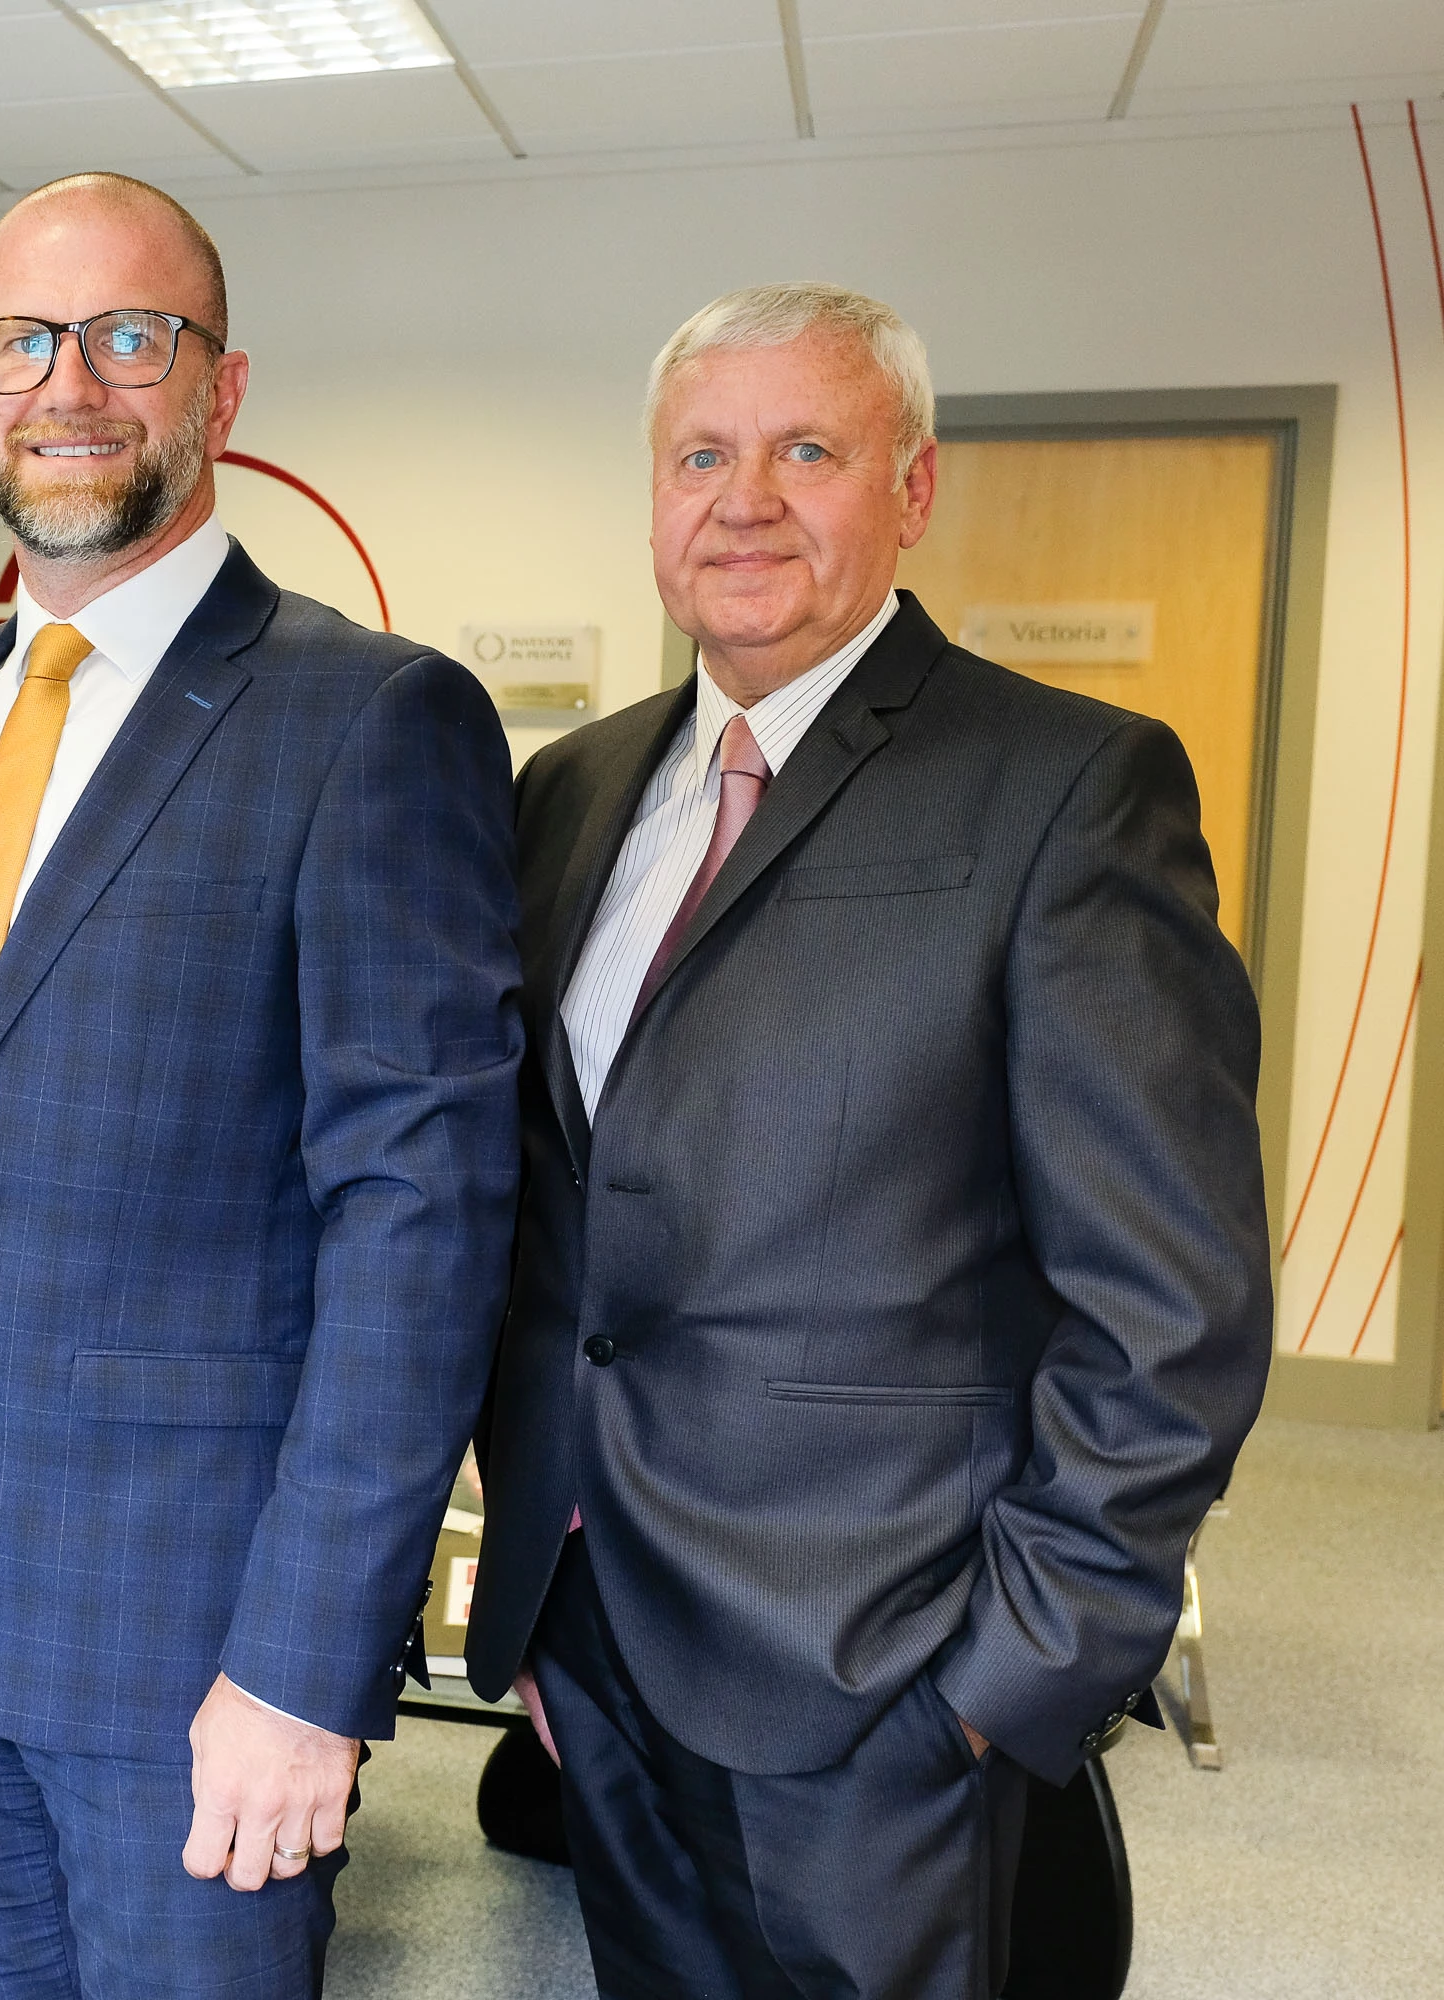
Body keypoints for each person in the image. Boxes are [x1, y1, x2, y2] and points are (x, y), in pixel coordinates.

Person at [0, 175, 521, 1998]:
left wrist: (312, 1664)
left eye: (129, 336)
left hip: (192, 1645)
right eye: (21, 339)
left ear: (219, 390)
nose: (68, 383)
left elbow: (419, 1233)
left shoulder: (370, 719)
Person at [462, 281, 1270, 2000]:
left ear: (911, 489)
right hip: (595, 1639)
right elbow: (548, 1217)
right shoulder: (572, 792)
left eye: (806, 448)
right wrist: (530, 1580)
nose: (741, 499)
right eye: (701, 454)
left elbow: (1172, 1309)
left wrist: (1015, 1678)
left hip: (884, 1678)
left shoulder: (1066, 788)